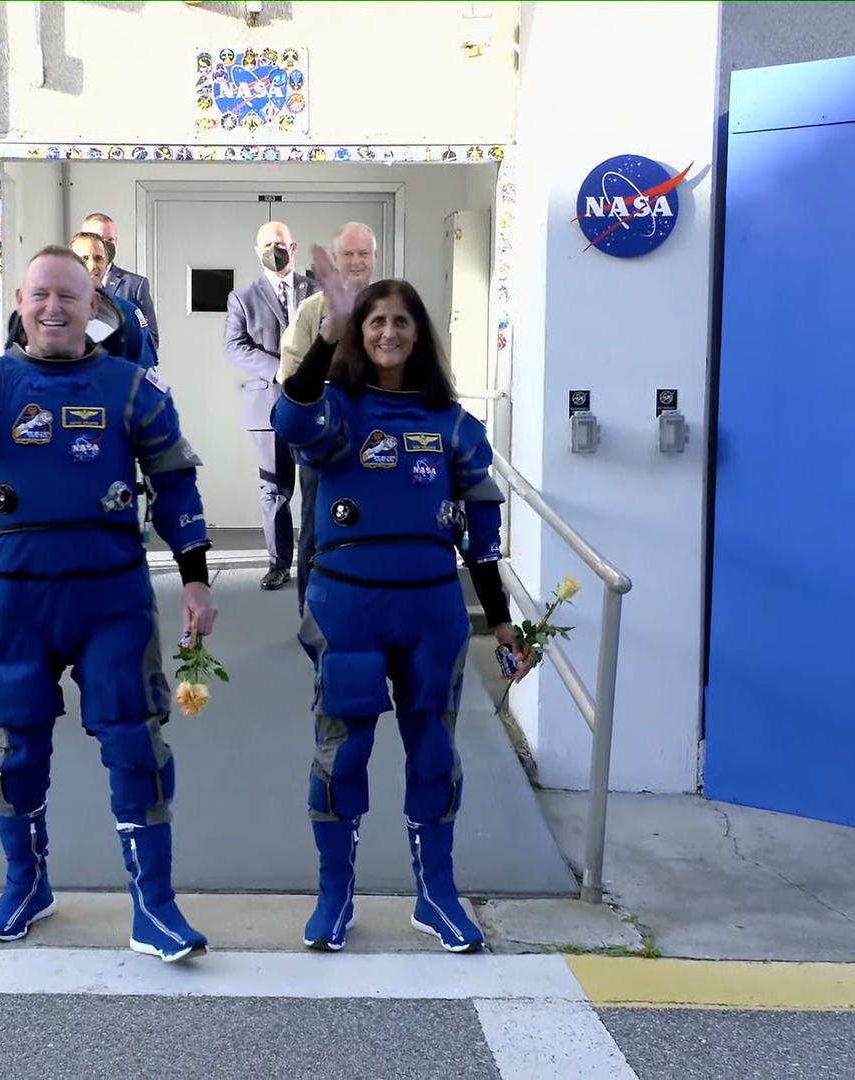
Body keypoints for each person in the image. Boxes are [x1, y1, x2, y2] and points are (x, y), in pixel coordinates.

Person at [0, 253, 218, 963]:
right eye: (41, 294)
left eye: (70, 296)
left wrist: (198, 579)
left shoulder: (131, 388)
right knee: (15, 749)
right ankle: (27, 883)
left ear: (95, 306)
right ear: (19, 301)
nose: (55, 307)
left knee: (137, 748)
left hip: (112, 601)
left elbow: (175, 484)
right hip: (19, 603)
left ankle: (155, 907)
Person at [271, 246, 535, 955]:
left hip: (431, 613)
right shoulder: (335, 409)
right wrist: (330, 328)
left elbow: (482, 537)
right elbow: (290, 420)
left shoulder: (452, 424)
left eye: (401, 321)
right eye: (375, 320)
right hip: (346, 609)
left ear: (420, 334)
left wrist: (503, 622)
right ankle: (335, 897)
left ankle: (436, 895)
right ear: (359, 333)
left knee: (434, 755)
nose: (387, 331)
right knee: (342, 755)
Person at [279, 222, 379, 615]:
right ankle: (311, 610)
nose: (356, 262)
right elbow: (290, 378)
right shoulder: (311, 310)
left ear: (374, 258)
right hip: (325, 441)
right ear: (335, 261)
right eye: (347, 254)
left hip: (380, 440)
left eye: (363, 254)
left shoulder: (388, 306)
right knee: (318, 524)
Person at [226, 220, 317, 591]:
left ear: (292, 248)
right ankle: (279, 563)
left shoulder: (317, 291)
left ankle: (315, 559)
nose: (273, 250)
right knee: (275, 489)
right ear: (256, 250)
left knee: (316, 487)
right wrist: (280, 371)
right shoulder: (242, 298)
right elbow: (235, 346)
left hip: (314, 406)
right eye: (266, 245)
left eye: (279, 244)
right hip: (268, 405)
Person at [2, 233, 157, 370]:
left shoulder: (127, 313)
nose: (92, 266)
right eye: (83, 259)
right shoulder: (38, 311)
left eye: (99, 259)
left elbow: (144, 370)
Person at [82, 212, 158, 349]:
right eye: (97, 239)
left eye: (109, 240)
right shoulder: (62, 286)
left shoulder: (135, 285)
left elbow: (151, 339)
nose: (104, 245)